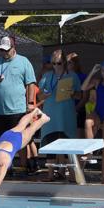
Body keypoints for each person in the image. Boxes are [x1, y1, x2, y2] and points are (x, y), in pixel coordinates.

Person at [0, 109, 50, 208]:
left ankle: (44, 118)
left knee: (33, 128)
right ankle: (34, 111)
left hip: (17, 140)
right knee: (21, 124)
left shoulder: (3, 162)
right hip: (6, 136)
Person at [0, 36, 37, 172]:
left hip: (17, 110)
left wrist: (30, 103)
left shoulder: (23, 61)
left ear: (14, 48)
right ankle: (5, 168)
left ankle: (24, 167)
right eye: (2, 50)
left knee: (20, 142)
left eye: (7, 50)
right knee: (0, 141)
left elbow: (30, 83)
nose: (4, 53)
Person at [37, 49, 82, 181]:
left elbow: (80, 95)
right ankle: (50, 174)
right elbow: (39, 94)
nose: (57, 66)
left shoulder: (72, 76)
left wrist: (72, 93)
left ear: (64, 62)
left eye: (59, 63)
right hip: (50, 114)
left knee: (69, 144)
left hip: (66, 115)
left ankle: (72, 174)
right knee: (49, 143)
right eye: (54, 63)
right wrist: (43, 95)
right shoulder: (47, 76)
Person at [83, 60, 104, 182]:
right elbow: (83, 87)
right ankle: (90, 150)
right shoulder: (97, 82)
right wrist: (93, 71)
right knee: (88, 122)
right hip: (98, 113)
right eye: (103, 69)